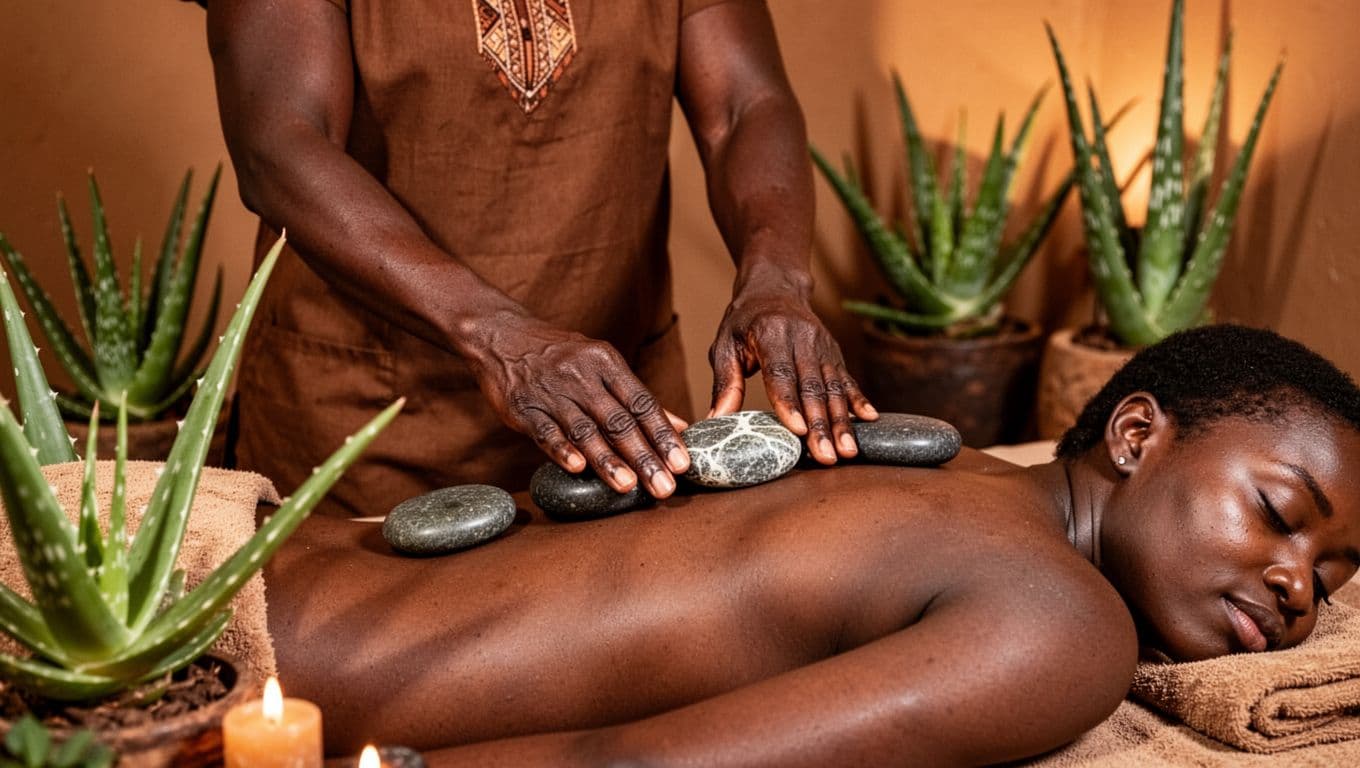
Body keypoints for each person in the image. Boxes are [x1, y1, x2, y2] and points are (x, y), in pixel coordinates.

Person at [259, 325, 1360, 762]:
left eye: (1332, 575)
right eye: (1279, 511)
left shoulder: (953, 464)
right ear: (1135, 435)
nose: (1296, 586)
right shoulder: (1067, 625)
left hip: (266, 561)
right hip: (260, 675)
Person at [201, 0, 874, 517]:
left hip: (621, 414)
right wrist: (496, 336)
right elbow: (280, 144)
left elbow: (743, 104)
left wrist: (775, 279)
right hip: (370, 426)